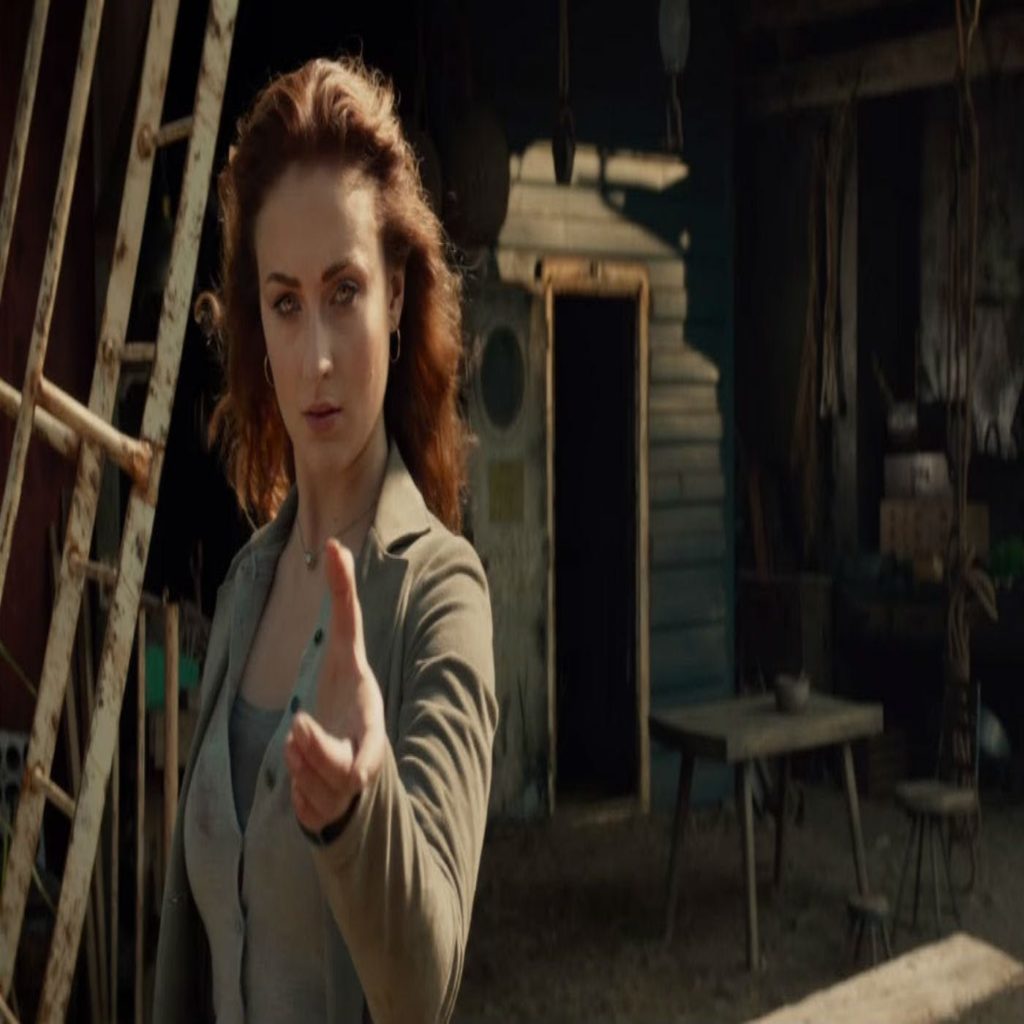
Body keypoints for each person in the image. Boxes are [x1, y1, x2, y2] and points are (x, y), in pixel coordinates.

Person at [152, 56, 498, 1024]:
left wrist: (357, 808)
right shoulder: (244, 589)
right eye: (285, 302)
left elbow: (425, 983)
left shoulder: (441, 596)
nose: (316, 358)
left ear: (397, 295)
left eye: (344, 292)